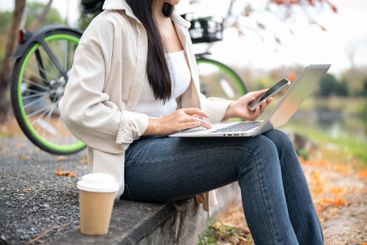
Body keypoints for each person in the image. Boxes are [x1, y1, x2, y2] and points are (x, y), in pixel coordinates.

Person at [58, 0, 324, 244]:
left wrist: (232, 108)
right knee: (256, 151)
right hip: (128, 158)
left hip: (172, 145)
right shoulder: (109, 26)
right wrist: (153, 125)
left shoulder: (176, 24)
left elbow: (180, 106)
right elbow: (78, 108)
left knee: (276, 140)